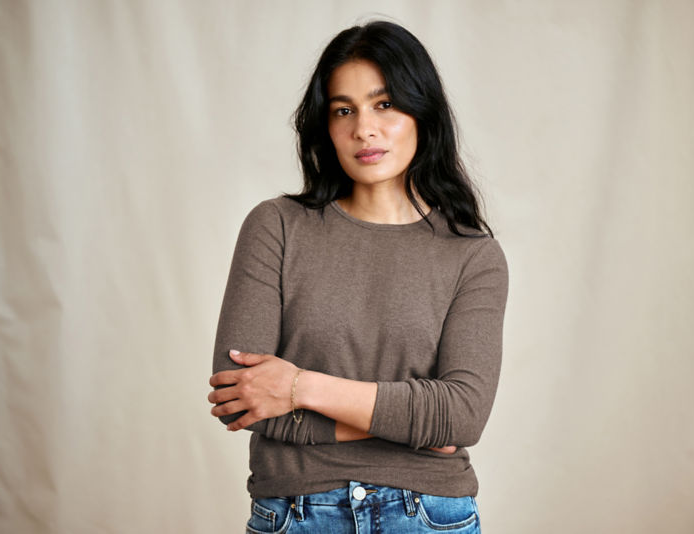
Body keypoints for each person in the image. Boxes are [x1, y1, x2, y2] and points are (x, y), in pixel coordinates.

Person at [207, 20, 508, 533]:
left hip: (429, 516)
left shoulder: (473, 254)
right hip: (296, 513)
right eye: (343, 110)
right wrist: (413, 423)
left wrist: (299, 386)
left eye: (384, 104)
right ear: (325, 126)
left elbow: (461, 417)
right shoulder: (277, 226)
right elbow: (242, 398)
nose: (364, 128)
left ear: (422, 111)